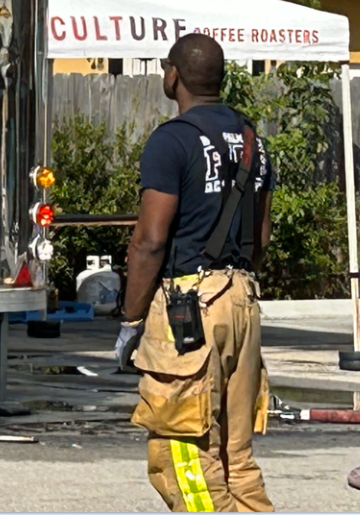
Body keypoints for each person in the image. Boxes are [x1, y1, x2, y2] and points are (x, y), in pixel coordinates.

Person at [118, 34, 275, 512]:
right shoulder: (253, 142)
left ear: (173, 75)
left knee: (181, 454)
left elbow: (150, 240)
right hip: (243, 300)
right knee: (234, 457)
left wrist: (131, 321)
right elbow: (262, 238)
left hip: (191, 309)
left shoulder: (173, 140)